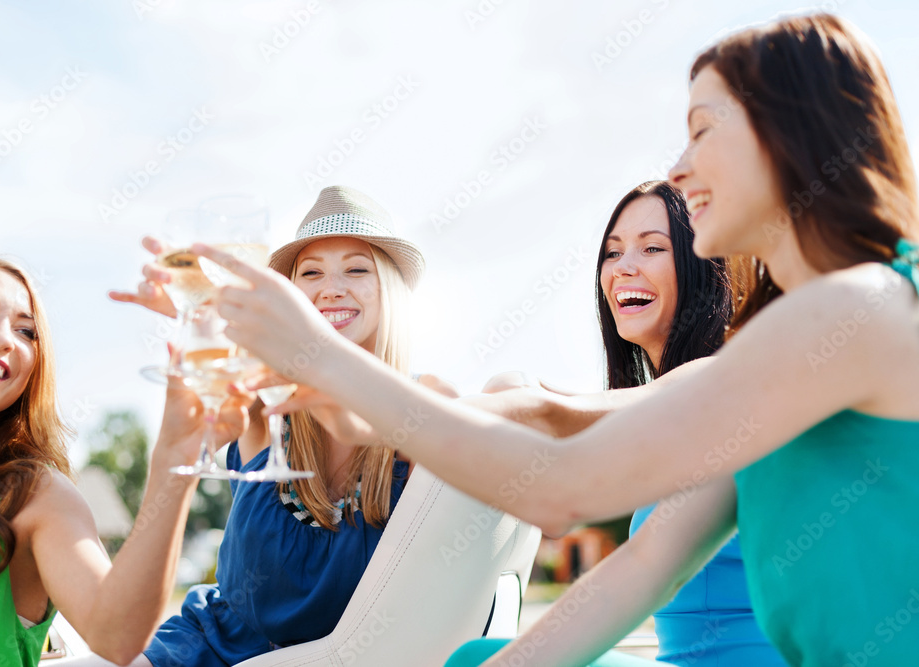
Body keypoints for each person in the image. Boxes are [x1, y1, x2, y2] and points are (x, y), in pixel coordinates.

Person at [194, 13, 919, 666]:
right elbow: (639, 565)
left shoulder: (857, 309)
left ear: (787, 132)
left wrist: (323, 357)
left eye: (702, 129)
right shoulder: (779, 353)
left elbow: (564, 485)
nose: (678, 166)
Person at [103, 185, 452, 666]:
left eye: (356, 269)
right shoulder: (265, 402)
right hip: (209, 647)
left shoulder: (425, 402)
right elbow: (227, 360)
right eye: (310, 274)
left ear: (388, 289)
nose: (331, 288)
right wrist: (199, 307)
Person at [447, 181, 785, 665]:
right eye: (612, 252)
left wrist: (394, 417)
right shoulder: (660, 416)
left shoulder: (720, 380)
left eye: (653, 248)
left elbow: (557, 413)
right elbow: (560, 416)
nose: (624, 267)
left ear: (707, 268)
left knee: (475, 659)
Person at [0, 258, 242, 667]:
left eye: (26, 332)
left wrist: (176, 458)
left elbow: (117, 637)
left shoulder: (35, 498)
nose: (3, 338)